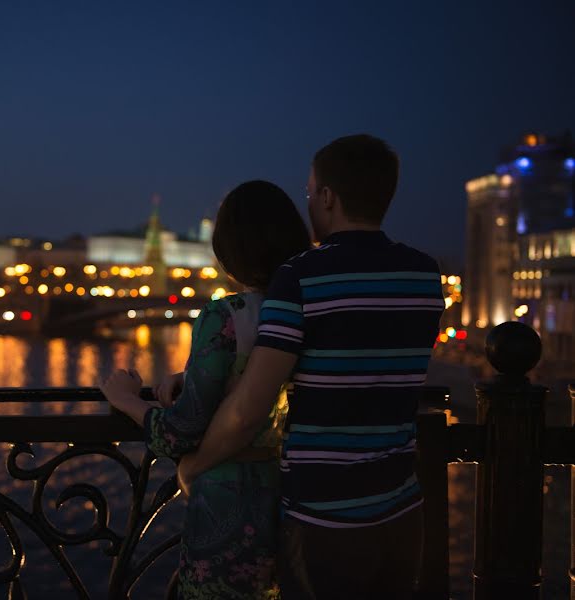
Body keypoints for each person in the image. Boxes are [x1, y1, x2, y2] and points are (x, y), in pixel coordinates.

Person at [177, 135, 445, 599]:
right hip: (402, 505)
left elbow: (249, 407)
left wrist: (196, 464)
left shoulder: (301, 276)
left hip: (325, 513)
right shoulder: (423, 274)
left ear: (327, 197)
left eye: (309, 193)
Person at [100, 180, 311, 600]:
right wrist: (191, 373)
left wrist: (124, 399)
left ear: (229, 251)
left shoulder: (224, 316)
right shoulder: (305, 311)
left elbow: (180, 431)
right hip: (294, 500)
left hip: (226, 507)